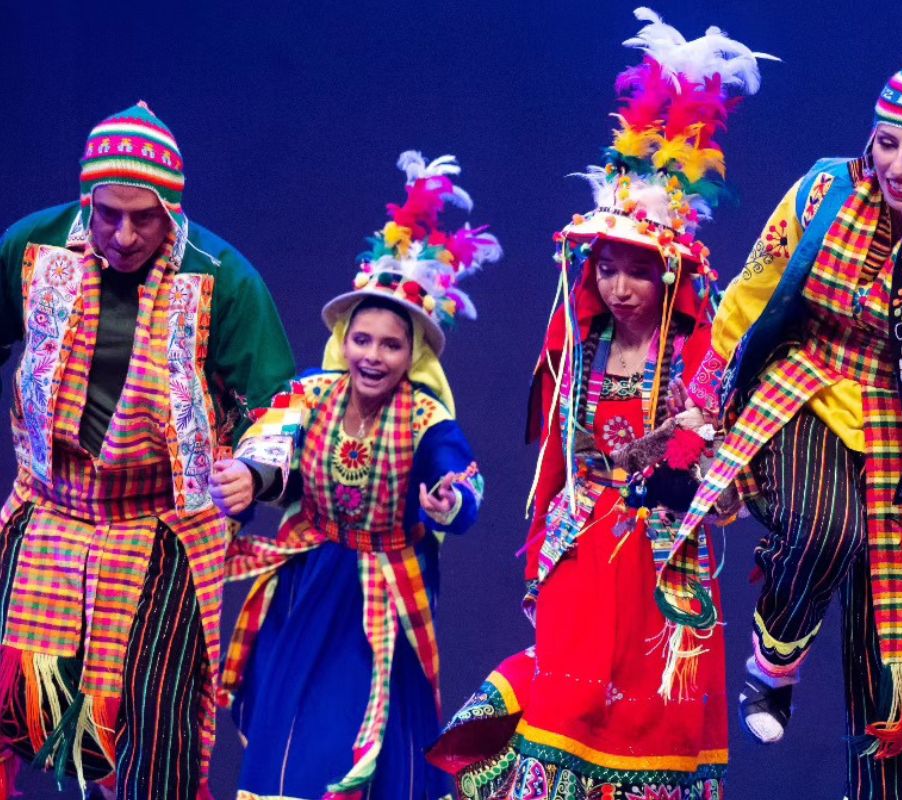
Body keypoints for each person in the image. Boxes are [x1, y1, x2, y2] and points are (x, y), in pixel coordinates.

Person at [659, 52, 902, 799]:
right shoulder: (826, 186)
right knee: (824, 529)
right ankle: (774, 661)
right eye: (888, 141)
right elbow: (756, 286)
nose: (898, 163)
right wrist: (708, 399)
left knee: (889, 673)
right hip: (806, 389)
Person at [426, 9, 768, 798]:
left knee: (652, 724)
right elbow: (555, 463)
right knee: (564, 708)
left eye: (637, 271)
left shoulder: (700, 362)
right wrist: (549, 537)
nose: (619, 285)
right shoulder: (575, 356)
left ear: (670, 279)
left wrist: (683, 473)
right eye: (607, 268)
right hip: (583, 555)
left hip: (662, 562)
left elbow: (729, 476)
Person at [0, 102, 294, 798]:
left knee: (154, 722)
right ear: (86, 199)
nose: (125, 234)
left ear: (172, 210)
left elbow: (283, 407)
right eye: (108, 214)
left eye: (145, 217)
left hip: (161, 526)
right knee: (13, 693)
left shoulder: (222, 277)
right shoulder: (33, 249)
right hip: (50, 509)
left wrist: (254, 471)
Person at [212, 151, 494, 798]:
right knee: (290, 743)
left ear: (412, 353)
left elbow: (460, 476)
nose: (373, 355)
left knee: (365, 741)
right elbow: (273, 447)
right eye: (362, 340)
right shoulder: (310, 396)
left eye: (391, 344)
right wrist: (253, 479)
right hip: (308, 588)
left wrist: (451, 501)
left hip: (384, 600)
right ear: (344, 341)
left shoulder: (424, 418)